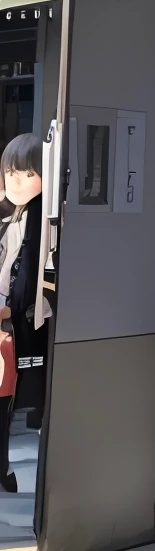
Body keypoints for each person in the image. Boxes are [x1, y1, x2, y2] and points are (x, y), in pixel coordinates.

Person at [0, 134, 47, 494]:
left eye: (27, 172)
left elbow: (26, 276)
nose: (17, 180)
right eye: (11, 172)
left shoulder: (39, 219)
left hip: (16, 323)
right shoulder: (16, 214)